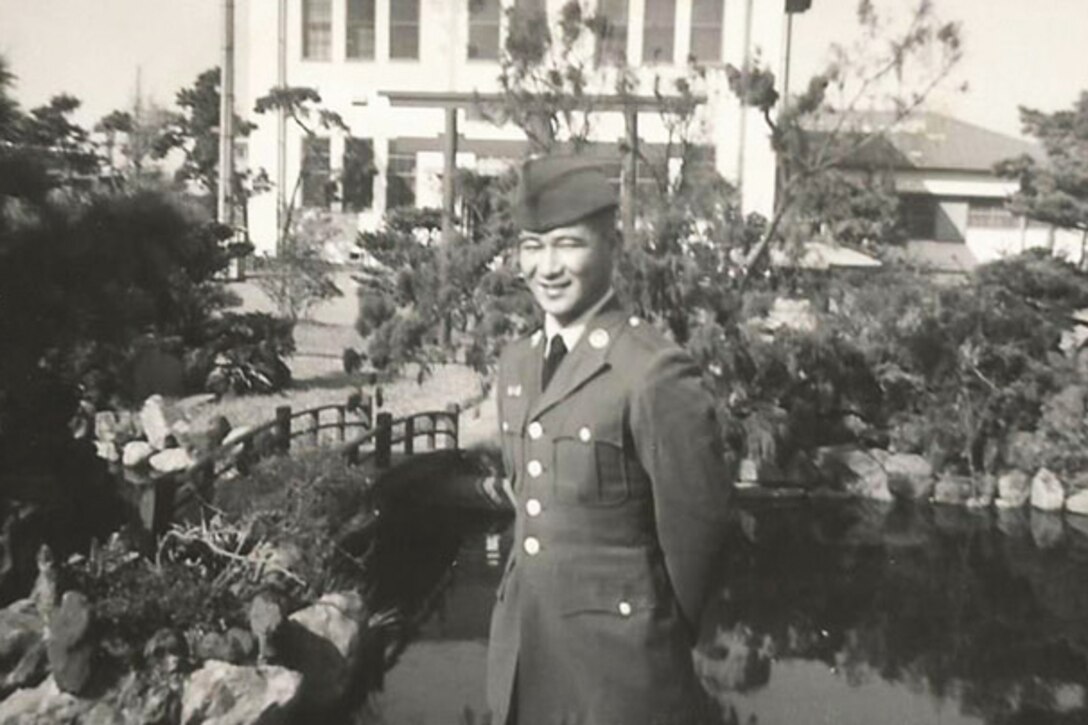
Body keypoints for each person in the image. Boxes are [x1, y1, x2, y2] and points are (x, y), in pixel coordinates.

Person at [486, 155, 735, 725]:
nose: (546, 267)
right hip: (525, 659)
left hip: (622, 680)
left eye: (567, 244)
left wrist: (654, 634)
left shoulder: (651, 371)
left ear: (610, 246)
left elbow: (702, 531)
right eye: (531, 246)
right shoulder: (517, 364)